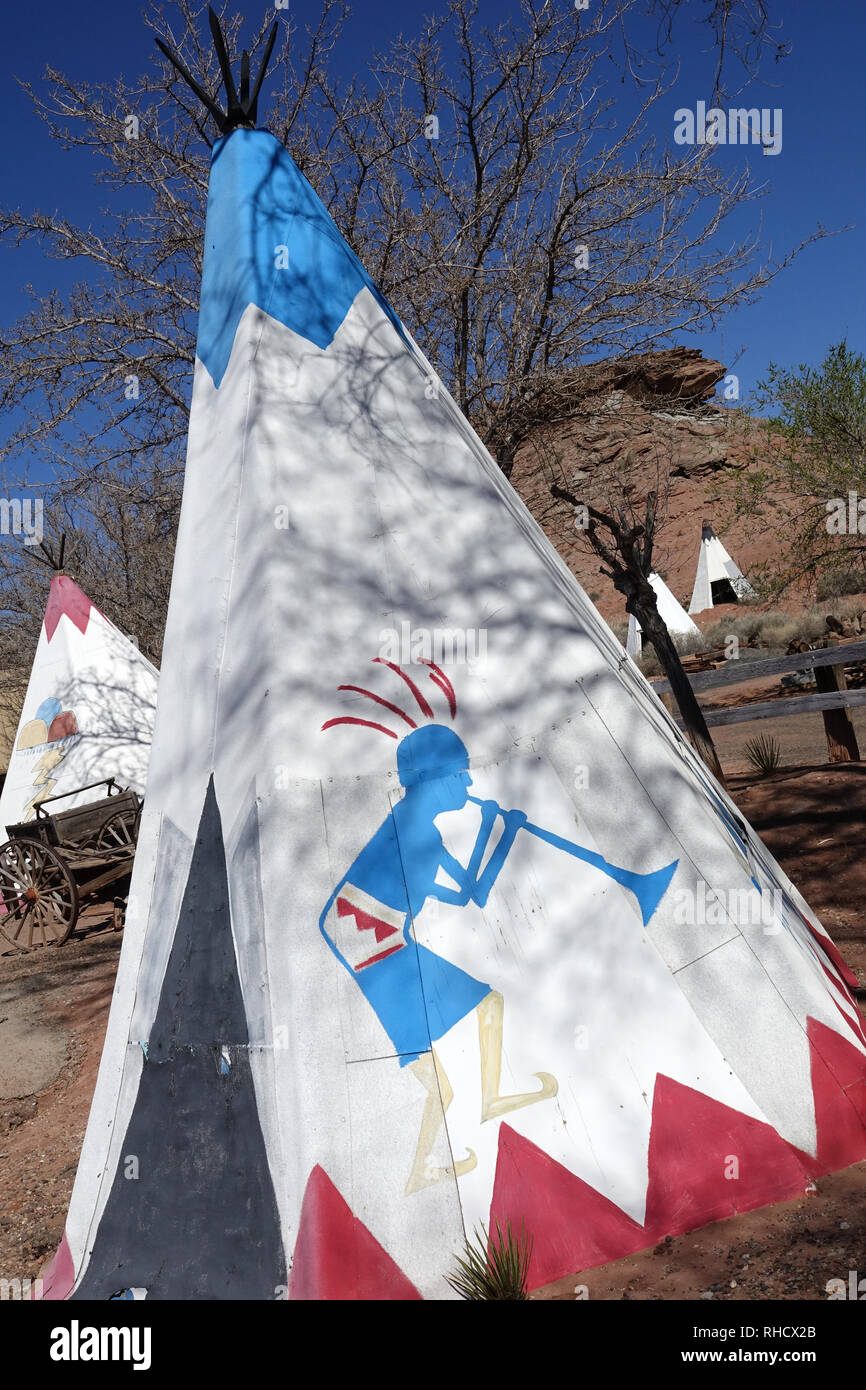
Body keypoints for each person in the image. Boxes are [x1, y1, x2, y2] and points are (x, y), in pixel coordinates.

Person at [319, 723, 557, 1194]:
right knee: (439, 1083)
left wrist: (495, 828)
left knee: (487, 1005)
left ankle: (491, 1098)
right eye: (460, 777)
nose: (469, 786)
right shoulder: (415, 840)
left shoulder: (412, 825)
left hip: (379, 941)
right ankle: (421, 1168)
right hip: (376, 948)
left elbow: (468, 891)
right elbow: (473, 892)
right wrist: (502, 830)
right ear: (435, 780)